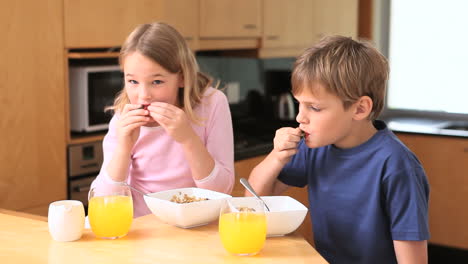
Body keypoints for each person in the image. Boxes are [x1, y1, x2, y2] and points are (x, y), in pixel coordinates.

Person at [247, 36, 430, 263]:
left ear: (360, 108)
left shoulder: (397, 166)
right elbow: (253, 202)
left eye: (314, 107)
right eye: (299, 104)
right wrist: (276, 157)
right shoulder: (315, 147)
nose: (299, 117)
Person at [90, 22, 235, 218]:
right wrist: (124, 148)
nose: (143, 96)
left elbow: (221, 192)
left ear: (182, 78)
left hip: (195, 228)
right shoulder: (122, 119)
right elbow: (103, 204)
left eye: (156, 82)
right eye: (132, 81)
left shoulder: (212, 104)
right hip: (141, 231)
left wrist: (187, 138)